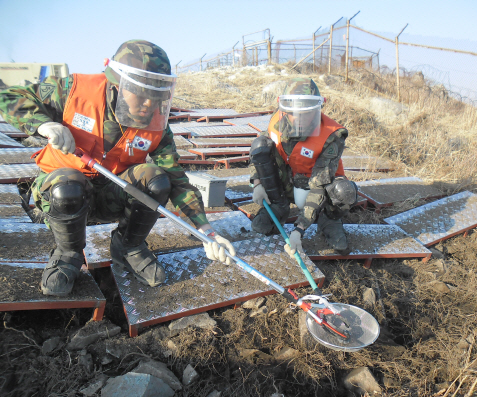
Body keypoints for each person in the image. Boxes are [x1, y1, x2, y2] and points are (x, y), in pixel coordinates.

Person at [0, 40, 236, 296]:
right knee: (66, 184)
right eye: (141, 93)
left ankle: (128, 246)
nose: (149, 104)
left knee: (156, 179)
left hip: (112, 194)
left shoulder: (155, 124)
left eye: (156, 96)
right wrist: (44, 125)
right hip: (64, 198)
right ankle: (68, 254)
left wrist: (206, 230)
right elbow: (8, 96)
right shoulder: (73, 91)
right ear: (117, 85)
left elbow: (177, 179)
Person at [249, 78, 358, 257]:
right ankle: (278, 205)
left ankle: (329, 220)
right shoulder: (277, 122)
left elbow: (319, 185)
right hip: (289, 179)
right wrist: (257, 182)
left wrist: (299, 229)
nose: (300, 119)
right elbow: (258, 153)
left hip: (319, 183)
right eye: (295, 113)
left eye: (307, 113)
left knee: (344, 191)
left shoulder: (332, 136)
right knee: (260, 145)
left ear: (317, 110)